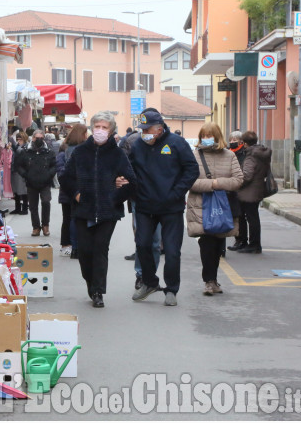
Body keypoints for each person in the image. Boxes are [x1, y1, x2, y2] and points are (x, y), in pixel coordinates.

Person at [62, 111, 137, 308]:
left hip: (107, 212)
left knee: (100, 249)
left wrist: (115, 197)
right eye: (98, 127)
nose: (101, 131)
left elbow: (131, 181)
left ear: (111, 131)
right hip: (83, 211)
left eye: (105, 128)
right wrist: (77, 194)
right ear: (91, 128)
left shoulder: (118, 154)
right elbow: (65, 177)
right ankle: (90, 282)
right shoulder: (79, 152)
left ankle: (98, 291)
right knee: (85, 252)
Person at [127, 109, 199, 306]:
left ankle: (171, 289)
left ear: (159, 128)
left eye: (147, 129)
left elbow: (192, 169)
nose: (144, 133)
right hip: (144, 205)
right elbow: (130, 169)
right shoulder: (139, 145)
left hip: (171, 207)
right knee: (142, 245)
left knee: (172, 251)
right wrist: (131, 189)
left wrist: (176, 192)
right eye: (141, 129)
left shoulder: (177, 144)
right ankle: (150, 282)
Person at [186, 122, 243, 295]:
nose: (206, 139)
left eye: (210, 135)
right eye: (204, 135)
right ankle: (209, 281)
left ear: (217, 137)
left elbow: (238, 180)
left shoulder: (229, 156)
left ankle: (214, 280)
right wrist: (213, 184)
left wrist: (219, 183)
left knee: (219, 244)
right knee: (207, 243)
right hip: (201, 205)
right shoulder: (194, 155)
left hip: (223, 206)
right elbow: (189, 181)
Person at [119, 129, 162, 289]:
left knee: (156, 242)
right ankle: (141, 274)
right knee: (143, 240)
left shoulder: (165, 145)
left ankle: (150, 276)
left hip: (160, 200)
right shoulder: (134, 142)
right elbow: (125, 168)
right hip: (140, 199)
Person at [235, 131, 271, 254]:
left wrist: (237, 183)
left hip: (248, 191)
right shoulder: (262, 153)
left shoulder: (251, 156)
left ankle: (253, 244)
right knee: (253, 217)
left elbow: (247, 175)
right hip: (257, 189)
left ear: (244, 143)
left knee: (250, 218)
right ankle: (253, 244)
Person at [56, 123, 87, 259]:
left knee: (67, 218)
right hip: (78, 190)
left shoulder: (64, 149)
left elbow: (61, 172)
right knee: (76, 219)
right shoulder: (81, 150)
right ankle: (76, 247)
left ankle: (67, 246)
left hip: (65, 190)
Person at [17, 130, 56, 236]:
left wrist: (49, 174)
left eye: (41, 138)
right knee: (33, 206)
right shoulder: (26, 151)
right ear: (33, 138)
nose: (39, 140)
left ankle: (45, 225)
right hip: (31, 182)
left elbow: (54, 165)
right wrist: (26, 175)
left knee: (46, 202)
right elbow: (19, 165)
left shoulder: (49, 151)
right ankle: (36, 227)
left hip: (45, 182)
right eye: (37, 138)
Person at [226, 130, 248, 251]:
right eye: (231, 140)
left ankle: (241, 240)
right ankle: (238, 239)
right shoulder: (229, 152)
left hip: (239, 189)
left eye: (234, 140)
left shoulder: (242, 153)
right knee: (235, 215)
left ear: (241, 141)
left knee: (240, 216)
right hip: (231, 190)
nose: (232, 142)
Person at [9, 131, 29, 215]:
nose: (18, 141)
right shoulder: (17, 146)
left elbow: (23, 155)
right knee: (16, 190)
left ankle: (24, 208)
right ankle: (17, 208)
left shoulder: (27, 147)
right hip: (15, 170)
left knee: (23, 190)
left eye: (20, 139)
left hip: (22, 171)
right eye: (17, 139)